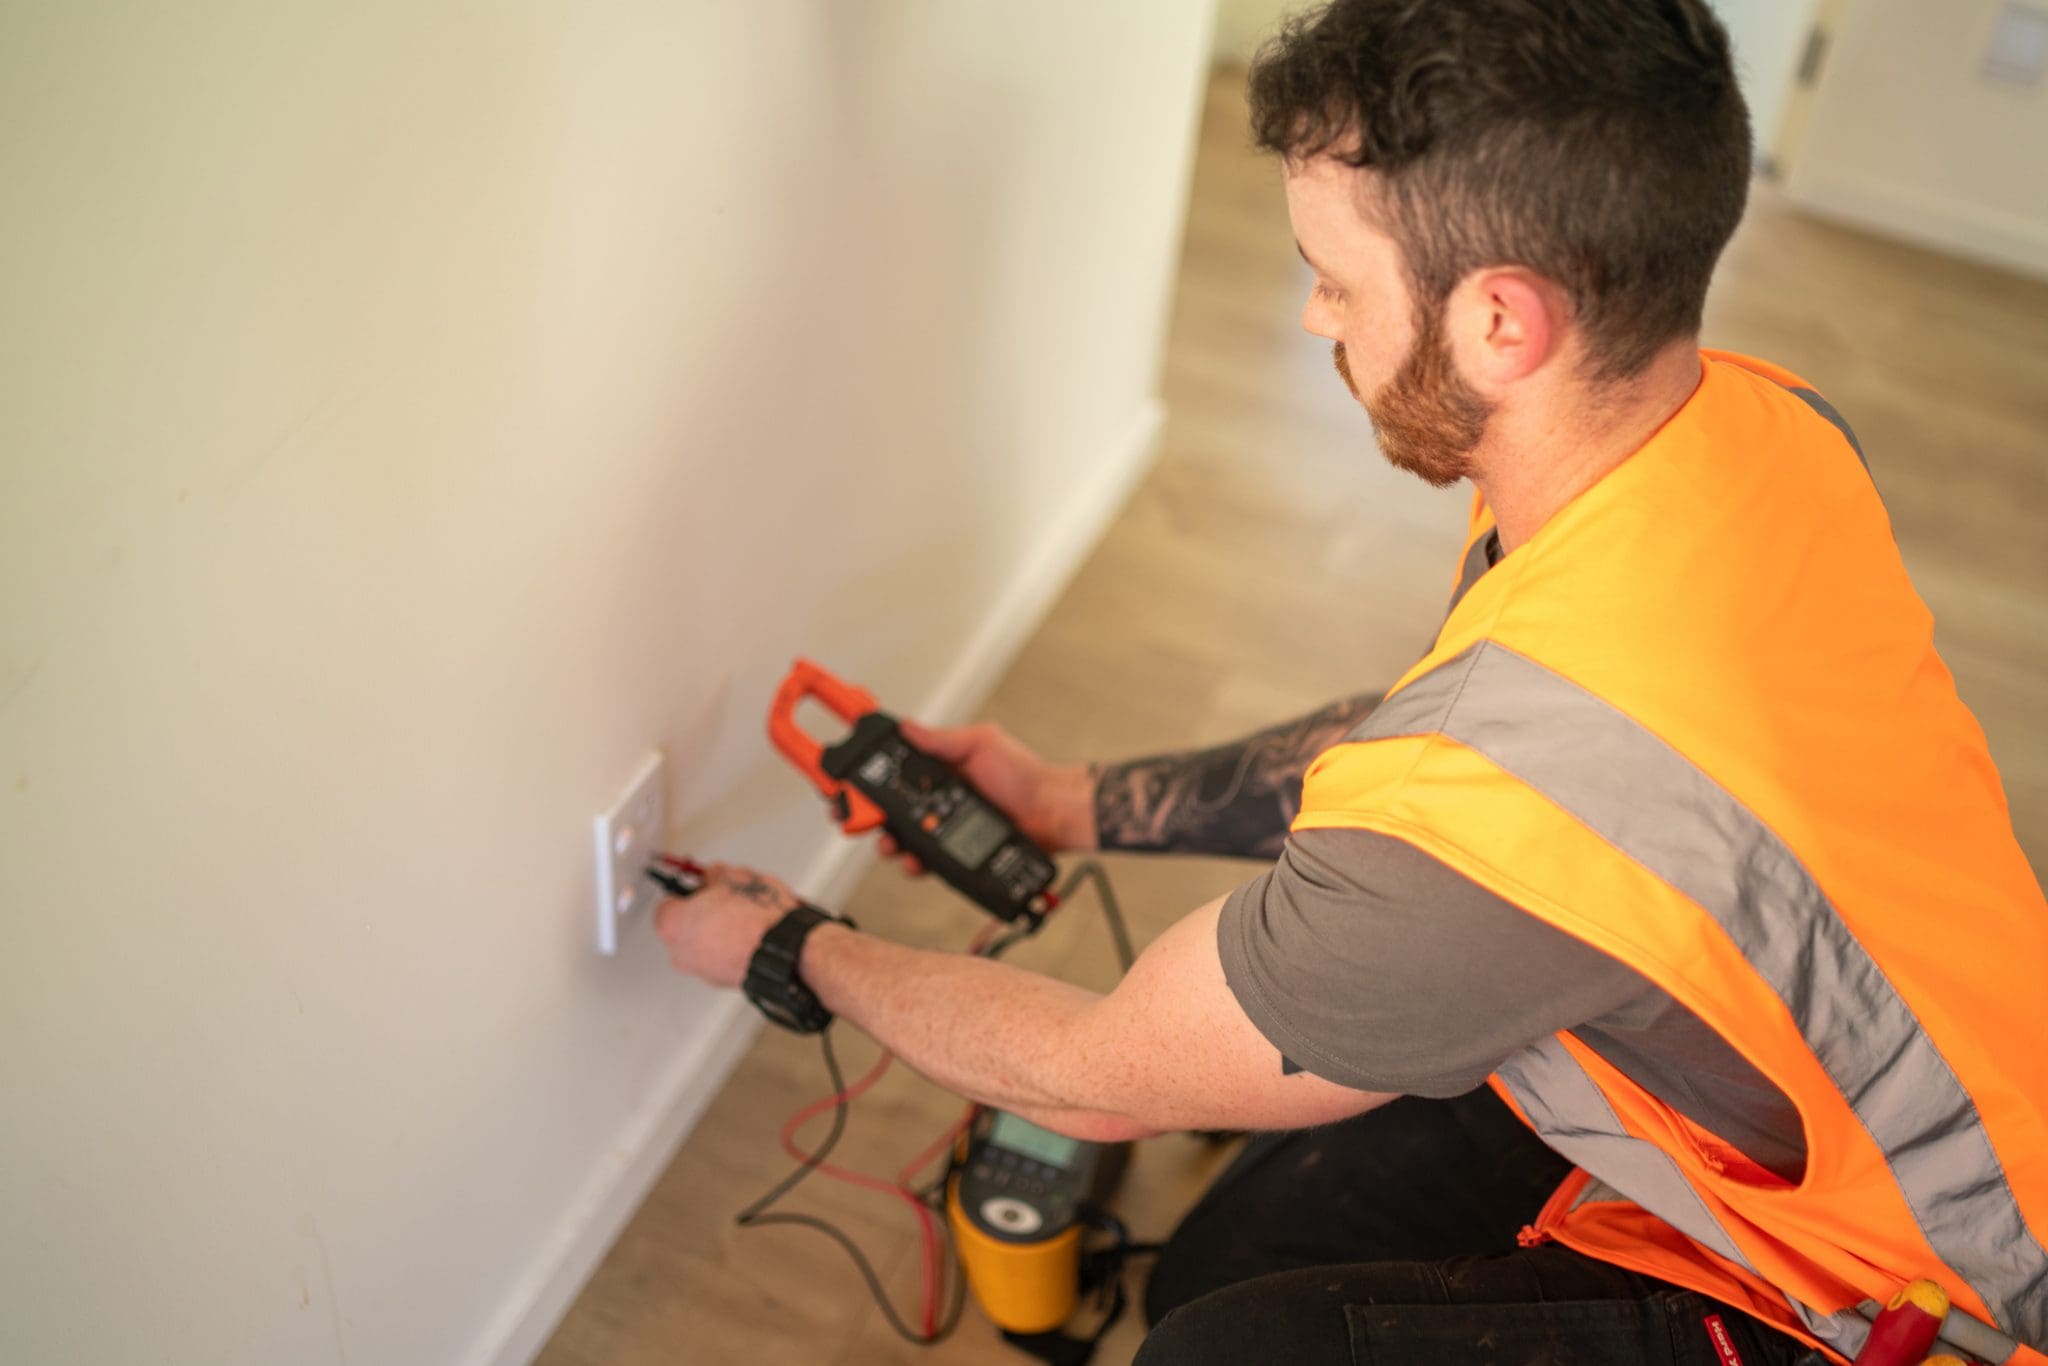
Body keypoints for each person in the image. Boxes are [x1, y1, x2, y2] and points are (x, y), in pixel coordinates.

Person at [655, 2, 2048, 1362]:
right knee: (1226, 1262)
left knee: (1213, 1349)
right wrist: (1068, 801)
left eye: (1334, 273)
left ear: (1501, 323)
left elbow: (1089, 1075)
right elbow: (1461, 762)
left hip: (1926, 1306)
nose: (1316, 311)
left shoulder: (1502, 808)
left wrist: (792, 948)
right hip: (1862, 1083)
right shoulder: (1757, 428)